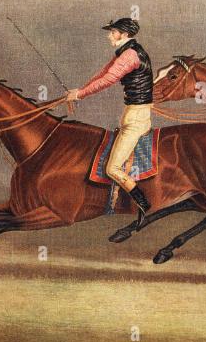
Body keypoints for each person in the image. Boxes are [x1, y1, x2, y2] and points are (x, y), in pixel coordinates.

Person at [66, 18, 154, 224]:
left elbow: (108, 80)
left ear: (123, 34)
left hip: (137, 118)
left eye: (112, 31)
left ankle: (143, 203)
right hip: (132, 114)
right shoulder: (127, 51)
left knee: (112, 168)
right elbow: (102, 73)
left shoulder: (130, 55)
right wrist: (78, 92)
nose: (109, 35)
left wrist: (80, 95)